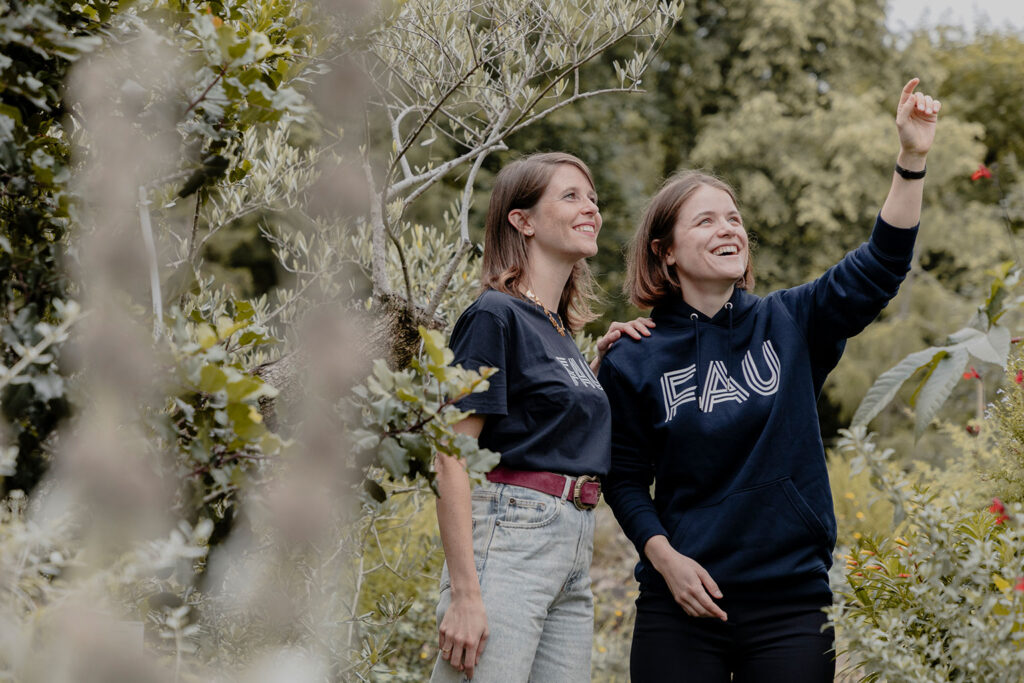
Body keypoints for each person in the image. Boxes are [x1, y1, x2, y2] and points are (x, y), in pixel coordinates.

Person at [597, 78, 940, 681]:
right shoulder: (634, 356)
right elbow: (623, 480)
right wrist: (666, 561)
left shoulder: (791, 321)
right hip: (679, 604)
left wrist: (910, 160)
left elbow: (882, 264)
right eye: (705, 221)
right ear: (666, 251)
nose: (729, 228)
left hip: (789, 605)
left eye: (734, 218)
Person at [431, 152, 652, 681]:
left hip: (571, 551)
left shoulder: (556, 332)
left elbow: (546, 427)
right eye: (571, 196)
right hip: (510, 540)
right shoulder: (494, 314)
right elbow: (449, 455)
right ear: (522, 220)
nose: (591, 209)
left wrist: (594, 368)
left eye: (593, 198)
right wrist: (465, 594)